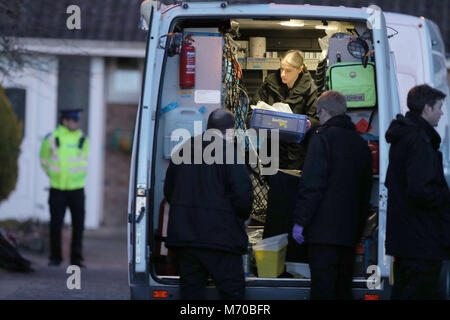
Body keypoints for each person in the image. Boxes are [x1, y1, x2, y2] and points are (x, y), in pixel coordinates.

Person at [164, 109, 253, 300]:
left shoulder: (184, 148)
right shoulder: (229, 151)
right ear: (230, 131)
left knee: (191, 294)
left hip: (186, 238)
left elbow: (169, 191)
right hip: (221, 239)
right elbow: (242, 196)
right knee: (232, 293)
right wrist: (241, 217)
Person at [291, 91, 373, 300]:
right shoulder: (360, 143)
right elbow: (365, 190)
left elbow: (312, 185)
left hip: (323, 234)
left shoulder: (322, 139)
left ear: (324, 112)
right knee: (342, 290)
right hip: (349, 235)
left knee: (323, 290)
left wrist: (300, 222)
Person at [385, 84, 450, 300]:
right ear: (427, 109)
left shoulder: (404, 137)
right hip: (421, 240)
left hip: (407, 238)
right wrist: (445, 196)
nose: (442, 111)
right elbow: (421, 189)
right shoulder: (419, 141)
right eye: (439, 107)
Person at [249, 50, 319, 248]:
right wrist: (257, 120)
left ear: (300, 70)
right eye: (281, 69)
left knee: (292, 200)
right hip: (270, 149)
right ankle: (273, 243)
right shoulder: (268, 86)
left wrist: (308, 124)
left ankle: (292, 245)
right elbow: (251, 112)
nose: (282, 74)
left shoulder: (310, 90)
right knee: (275, 201)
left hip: (296, 154)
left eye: (288, 70)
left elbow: (316, 119)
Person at [39, 109, 89, 268]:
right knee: (56, 224)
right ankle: (55, 257)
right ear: (65, 121)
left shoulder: (82, 138)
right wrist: (53, 175)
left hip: (77, 189)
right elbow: (43, 159)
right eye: (74, 120)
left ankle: (76, 258)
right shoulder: (52, 138)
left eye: (78, 120)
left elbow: (83, 159)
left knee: (78, 225)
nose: (77, 123)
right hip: (57, 188)